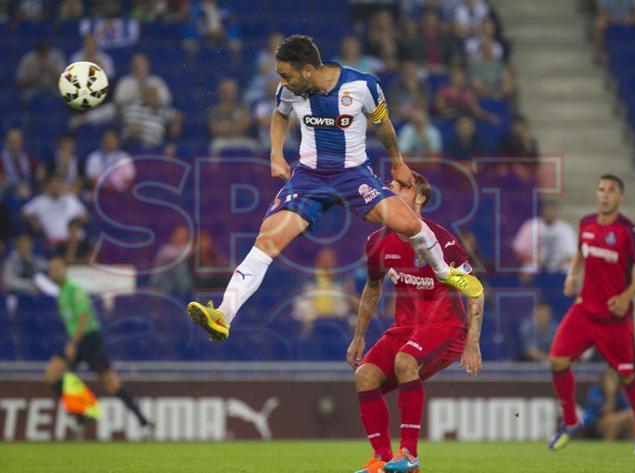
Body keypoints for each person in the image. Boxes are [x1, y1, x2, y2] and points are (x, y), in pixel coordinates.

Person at [187, 35, 483, 343]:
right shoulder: (289, 90)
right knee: (267, 240)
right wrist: (276, 154)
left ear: (307, 71)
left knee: (409, 224)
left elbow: (383, 125)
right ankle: (224, 313)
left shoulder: (362, 86)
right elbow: (280, 115)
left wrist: (397, 162)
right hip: (309, 179)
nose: (281, 81)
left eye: (286, 74)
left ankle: (445, 273)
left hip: (353, 177)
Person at [346, 171, 484, 473]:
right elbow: (372, 287)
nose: (390, 190)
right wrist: (359, 336)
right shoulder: (377, 242)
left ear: (419, 197)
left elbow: (475, 292)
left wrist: (472, 343)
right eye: (389, 186)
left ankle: (409, 454)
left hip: (446, 327)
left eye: (399, 186)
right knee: (364, 375)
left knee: (405, 360)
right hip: (407, 327)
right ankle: (382, 461)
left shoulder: (443, 241)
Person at [548, 174, 635, 455]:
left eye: (611, 190)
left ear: (621, 196)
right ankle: (570, 422)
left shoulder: (631, 232)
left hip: (614, 318)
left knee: (627, 376)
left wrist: (626, 297)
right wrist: (572, 275)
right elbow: (581, 253)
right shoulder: (586, 223)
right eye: (601, 189)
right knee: (557, 360)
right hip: (584, 310)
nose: (604, 194)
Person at [43, 257, 153, 438]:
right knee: (51, 375)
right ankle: (82, 415)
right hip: (76, 340)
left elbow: (84, 316)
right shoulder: (61, 294)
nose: (53, 273)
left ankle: (144, 423)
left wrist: (73, 343)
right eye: (51, 270)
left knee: (111, 385)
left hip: (90, 340)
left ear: (65, 270)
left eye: (56, 268)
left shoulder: (74, 290)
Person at [512, 199, 576, 276]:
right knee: (525, 274)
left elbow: (572, 254)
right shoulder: (530, 226)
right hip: (533, 268)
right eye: (547, 210)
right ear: (542, 211)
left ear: (557, 211)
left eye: (552, 210)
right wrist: (534, 259)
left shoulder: (565, 229)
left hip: (559, 270)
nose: (549, 213)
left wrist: (560, 263)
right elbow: (518, 250)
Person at [583, 370, 635, 441]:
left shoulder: (621, 393)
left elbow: (628, 412)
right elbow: (606, 413)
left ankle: (634, 445)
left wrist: (623, 417)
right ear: (602, 382)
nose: (610, 383)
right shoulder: (594, 392)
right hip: (593, 423)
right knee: (611, 422)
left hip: (616, 420)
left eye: (612, 380)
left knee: (632, 418)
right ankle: (607, 447)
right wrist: (610, 394)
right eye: (607, 380)